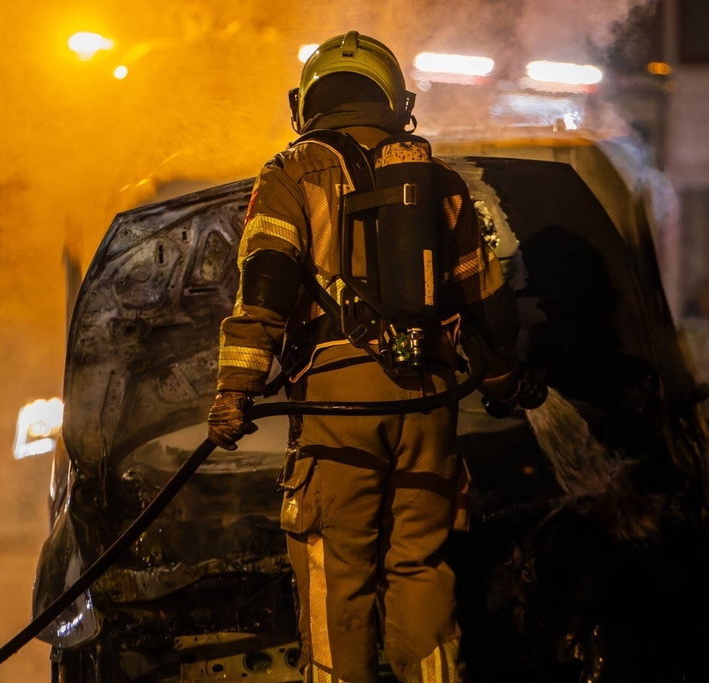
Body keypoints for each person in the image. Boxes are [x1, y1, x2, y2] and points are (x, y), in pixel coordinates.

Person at [206, 31, 520, 683]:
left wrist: (236, 389)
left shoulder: (290, 173)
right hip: (429, 401)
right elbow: (487, 300)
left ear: (307, 103)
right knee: (421, 564)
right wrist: (499, 376)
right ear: (396, 103)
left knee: (334, 571)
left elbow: (265, 286)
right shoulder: (439, 181)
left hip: (336, 402)